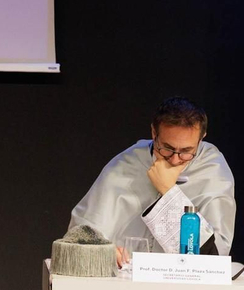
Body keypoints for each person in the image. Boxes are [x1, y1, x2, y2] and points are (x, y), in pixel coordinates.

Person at [67, 97, 235, 259]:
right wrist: (103, 252)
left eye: (186, 151)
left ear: (201, 138)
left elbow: (214, 256)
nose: (175, 159)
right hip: (125, 280)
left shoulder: (213, 171)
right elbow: (80, 236)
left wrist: (168, 191)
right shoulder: (127, 164)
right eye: (167, 148)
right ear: (154, 132)